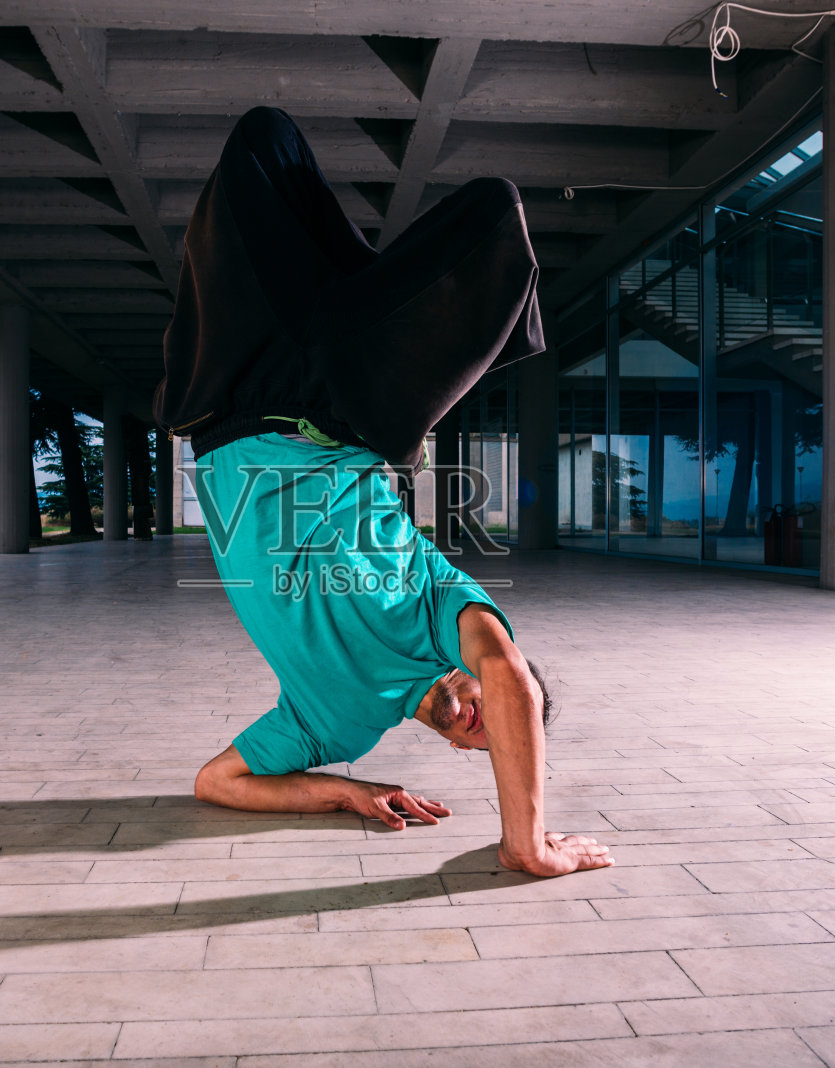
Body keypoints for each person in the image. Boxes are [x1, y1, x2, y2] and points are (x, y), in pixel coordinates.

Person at [157, 108, 610, 878]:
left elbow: (217, 782)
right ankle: (368, 299)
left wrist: (348, 792)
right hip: (338, 412)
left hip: (230, 404)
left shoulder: (336, 727)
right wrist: (526, 842)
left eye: (482, 740)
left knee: (258, 148)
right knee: (495, 224)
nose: (479, 719)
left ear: (463, 748)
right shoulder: (444, 609)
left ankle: (352, 291)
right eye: (498, 710)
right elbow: (506, 674)